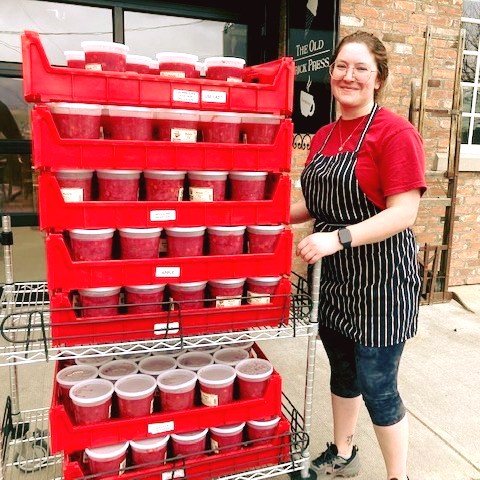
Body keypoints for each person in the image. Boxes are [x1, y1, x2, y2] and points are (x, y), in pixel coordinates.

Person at [290, 31, 426, 480]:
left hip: (382, 279)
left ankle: (398, 476)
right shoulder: (325, 136)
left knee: (377, 385)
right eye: (342, 67)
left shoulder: (395, 133)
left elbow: (403, 212)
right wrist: (257, 213)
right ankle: (343, 451)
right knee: (343, 372)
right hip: (334, 280)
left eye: (361, 68)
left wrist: (338, 238)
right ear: (331, 74)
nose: (349, 76)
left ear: (378, 78)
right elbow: (315, 203)